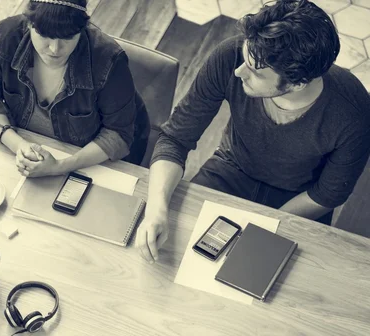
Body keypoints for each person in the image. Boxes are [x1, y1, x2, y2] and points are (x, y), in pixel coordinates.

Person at [137, 0, 370, 263]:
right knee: (173, 256)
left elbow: (328, 195)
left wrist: (263, 226)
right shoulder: (230, 56)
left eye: (256, 73)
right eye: (245, 59)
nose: (238, 72)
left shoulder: (354, 113)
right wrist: (156, 209)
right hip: (230, 167)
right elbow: (176, 138)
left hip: (300, 199)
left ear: (297, 83)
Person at [0, 0, 149, 177]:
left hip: (86, 163)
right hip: (24, 156)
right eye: (45, 34)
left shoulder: (108, 59)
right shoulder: (7, 36)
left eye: (68, 36)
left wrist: (59, 167)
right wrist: (19, 146)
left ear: (82, 28)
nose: (55, 49)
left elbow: (118, 134)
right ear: (29, 23)